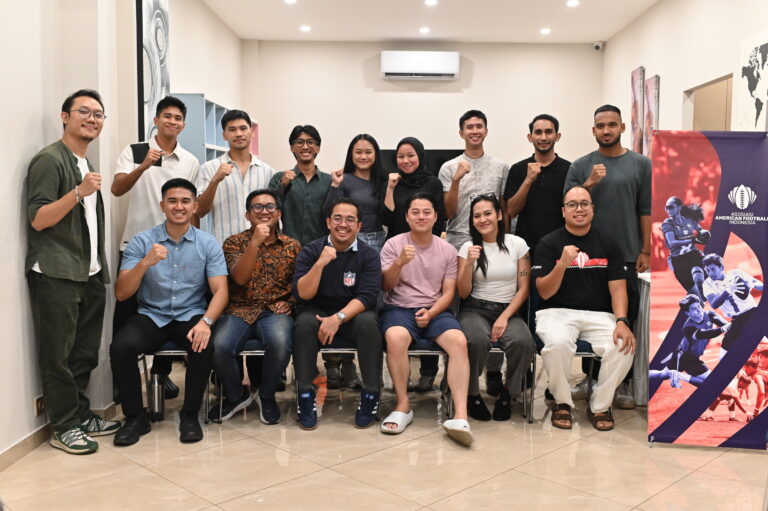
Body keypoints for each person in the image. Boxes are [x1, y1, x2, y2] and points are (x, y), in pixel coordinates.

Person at [26, 89, 117, 454]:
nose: (92, 119)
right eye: (84, 111)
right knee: (58, 355)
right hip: (57, 272)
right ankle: (63, 426)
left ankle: (80, 415)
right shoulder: (49, 160)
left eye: (98, 114)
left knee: (84, 353)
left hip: (89, 272)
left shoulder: (85, 162)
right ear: (65, 116)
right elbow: (38, 218)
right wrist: (79, 192)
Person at [110, 178, 228, 446]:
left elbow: (221, 290)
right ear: (162, 205)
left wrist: (206, 322)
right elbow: (121, 293)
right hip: (152, 315)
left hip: (190, 314)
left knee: (202, 344)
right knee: (121, 347)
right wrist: (145, 263)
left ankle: (190, 415)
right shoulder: (142, 241)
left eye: (185, 201)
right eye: (172, 201)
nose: (179, 206)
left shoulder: (207, 243)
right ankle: (135, 417)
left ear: (195, 206)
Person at [112, 95, 201, 398]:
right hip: (138, 245)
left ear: (183, 125)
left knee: (172, 310)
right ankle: (123, 386)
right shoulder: (136, 151)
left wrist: (197, 242)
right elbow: (117, 188)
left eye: (178, 118)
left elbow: (191, 207)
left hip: (176, 246)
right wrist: (143, 166)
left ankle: (160, 375)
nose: (172, 122)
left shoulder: (190, 161)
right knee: (127, 316)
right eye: (167, 116)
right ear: (156, 120)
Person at [564, 104, 651, 410]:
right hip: (589, 257)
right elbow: (570, 204)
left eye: (612, 125)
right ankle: (590, 378)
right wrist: (589, 184)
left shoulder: (640, 164)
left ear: (622, 127)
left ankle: (622, 382)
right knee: (592, 317)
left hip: (627, 254)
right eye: (600, 126)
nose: (606, 130)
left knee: (624, 318)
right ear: (593, 130)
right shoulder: (581, 166)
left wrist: (646, 249)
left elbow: (646, 210)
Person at [533, 186, 635, 431]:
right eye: (572, 204)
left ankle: (600, 406)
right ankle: (562, 403)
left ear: (592, 209)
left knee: (624, 346)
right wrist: (562, 264)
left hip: (599, 314)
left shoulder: (609, 243)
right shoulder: (549, 243)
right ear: (563, 211)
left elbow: (618, 289)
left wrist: (622, 321)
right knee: (557, 344)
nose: (579, 209)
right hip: (556, 312)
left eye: (584, 204)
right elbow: (544, 292)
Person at [380, 192, 474, 446]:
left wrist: (431, 313)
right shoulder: (393, 245)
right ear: (407, 217)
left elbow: (449, 292)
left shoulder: (447, 249)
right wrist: (399, 262)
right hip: (399, 308)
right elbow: (386, 286)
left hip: (436, 309)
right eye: (415, 212)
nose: (421, 217)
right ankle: (402, 405)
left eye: (426, 212)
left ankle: (460, 415)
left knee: (459, 342)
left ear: (435, 217)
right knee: (395, 337)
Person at [208, 189, 300, 424]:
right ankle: (236, 395)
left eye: (270, 207)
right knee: (219, 345)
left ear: (278, 214)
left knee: (280, 343)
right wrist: (255, 242)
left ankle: (266, 395)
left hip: (274, 310)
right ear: (247, 215)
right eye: (257, 207)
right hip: (238, 309)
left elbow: (299, 283)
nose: (264, 211)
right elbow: (239, 278)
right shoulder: (233, 242)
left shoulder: (292, 245)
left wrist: (290, 302)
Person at [292, 198, 383, 430]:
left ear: (359, 226)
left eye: (350, 219)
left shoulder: (369, 255)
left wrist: (338, 318)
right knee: (303, 324)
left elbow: (368, 297)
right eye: (338, 218)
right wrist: (320, 264)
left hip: (351, 315)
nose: (343, 224)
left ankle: (371, 394)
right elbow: (302, 294)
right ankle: (305, 395)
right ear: (328, 222)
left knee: (369, 324)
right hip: (317, 313)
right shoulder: (311, 250)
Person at [458, 195, 535, 421]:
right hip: (475, 309)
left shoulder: (517, 244)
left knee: (523, 342)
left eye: (487, 213)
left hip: (508, 308)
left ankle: (508, 394)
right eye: (477, 216)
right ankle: (472, 394)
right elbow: (462, 292)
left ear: (499, 215)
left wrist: (504, 317)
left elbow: (524, 289)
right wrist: (469, 264)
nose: (482, 219)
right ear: (472, 221)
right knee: (475, 340)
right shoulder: (468, 247)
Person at [322, 134, 388, 387]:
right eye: (358, 151)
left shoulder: (384, 180)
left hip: (377, 242)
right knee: (341, 297)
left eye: (368, 151)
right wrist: (335, 185)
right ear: (351, 154)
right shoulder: (344, 179)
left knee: (370, 304)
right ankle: (337, 365)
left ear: (376, 154)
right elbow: (329, 213)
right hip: (347, 241)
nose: (363, 156)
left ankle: (361, 368)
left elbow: (388, 214)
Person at [383, 136, 447, 392]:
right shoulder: (393, 182)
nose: (405, 160)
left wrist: (431, 246)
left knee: (428, 300)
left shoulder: (433, 182)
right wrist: (390, 188)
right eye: (400, 156)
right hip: (399, 248)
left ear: (420, 156)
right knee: (402, 304)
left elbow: (440, 218)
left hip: (427, 247)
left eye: (411, 155)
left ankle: (428, 373)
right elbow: (386, 217)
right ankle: (402, 375)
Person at [197, 109, 275, 244]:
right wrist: (215, 181)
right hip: (223, 247)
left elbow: (273, 213)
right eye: (232, 130)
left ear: (252, 132)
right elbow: (200, 211)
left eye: (243, 128)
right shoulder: (209, 168)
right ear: (224, 135)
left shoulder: (267, 171)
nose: (238, 134)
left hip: (261, 247)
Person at [439, 110, 509, 251]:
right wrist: (456, 180)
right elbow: (448, 213)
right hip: (458, 239)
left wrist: (505, 239)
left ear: (486, 131)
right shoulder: (448, 167)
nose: (475, 131)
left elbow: (504, 210)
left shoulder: (501, 167)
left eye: (479, 126)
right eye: (470, 127)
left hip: (492, 239)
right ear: (461, 133)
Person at [504, 114, 571, 255]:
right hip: (526, 247)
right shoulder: (517, 169)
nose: (543, 137)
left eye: (549, 132)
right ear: (530, 137)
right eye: (538, 132)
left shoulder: (569, 169)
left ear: (557, 136)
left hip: (562, 246)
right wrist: (528, 180)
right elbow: (511, 211)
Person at [649, 294, 730, 388]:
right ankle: (680, 375)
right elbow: (702, 334)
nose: (698, 310)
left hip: (683, 355)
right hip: (686, 358)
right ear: (687, 313)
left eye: (699, 306)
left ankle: (641, 374)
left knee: (662, 374)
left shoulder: (710, 315)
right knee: (712, 383)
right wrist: (723, 329)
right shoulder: (688, 327)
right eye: (694, 309)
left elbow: (724, 323)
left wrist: (728, 326)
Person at [268, 125, 330, 246]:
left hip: (320, 248)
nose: (305, 146)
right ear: (292, 148)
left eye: (310, 142)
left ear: (318, 148)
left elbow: (334, 214)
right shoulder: (279, 178)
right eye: (300, 142)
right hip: (287, 248)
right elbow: (269, 210)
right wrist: (282, 186)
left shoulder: (329, 181)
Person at [702, 253, 763, 357]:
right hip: (737, 319)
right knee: (725, 350)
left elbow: (761, 286)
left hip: (752, 312)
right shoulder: (707, 284)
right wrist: (728, 291)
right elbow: (714, 304)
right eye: (707, 270)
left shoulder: (736, 273)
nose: (710, 273)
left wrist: (752, 284)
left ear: (721, 267)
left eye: (713, 269)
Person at [661, 196, 709, 300]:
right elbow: (672, 243)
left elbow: (700, 231)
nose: (668, 210)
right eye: (666, 208)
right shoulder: (667, 223)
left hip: (692, 254)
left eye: (670, 207)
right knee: (697, 299)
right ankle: (701, 296)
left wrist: (704, 234)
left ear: (679, 207)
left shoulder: (689, 220)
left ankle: (702, 285)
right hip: (678, 260)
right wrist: (693, 240)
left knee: (698, 277)